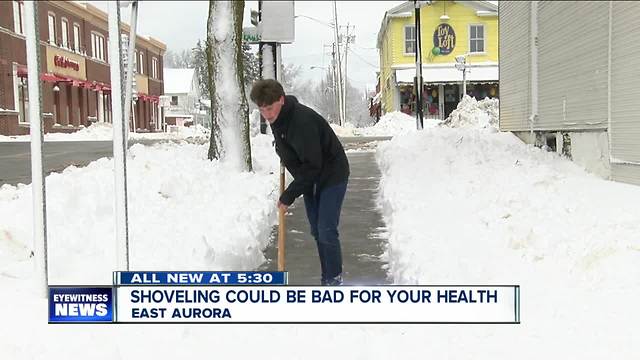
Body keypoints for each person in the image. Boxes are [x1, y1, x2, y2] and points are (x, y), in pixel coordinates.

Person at [250, 79, 350, 286]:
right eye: (262, 110)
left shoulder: (302, 121)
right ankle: (327, 277)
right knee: (316, 230)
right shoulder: (278, 120)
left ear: (281, 100)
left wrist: (289, 194)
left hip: (332, 174)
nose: (267, 114)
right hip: (310, 177)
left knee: (326, 229)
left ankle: (334, 281)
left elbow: (313, 164)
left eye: (270, 108)